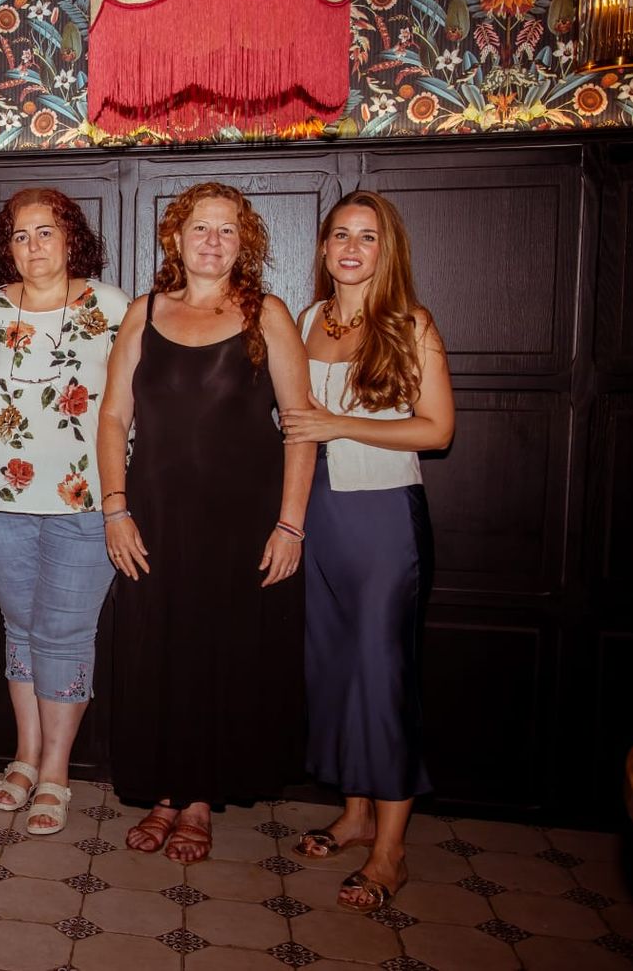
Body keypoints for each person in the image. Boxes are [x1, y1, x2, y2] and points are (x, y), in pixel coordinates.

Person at [98, 182, 314, 863]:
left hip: (241, 520)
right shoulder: (144, 312)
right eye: (200, 229)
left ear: (244, 242)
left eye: (227, 231)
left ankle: (197, 801)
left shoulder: (266, 314)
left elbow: (301, 427)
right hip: (154, 516)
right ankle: (163, 792)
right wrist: (114, 506)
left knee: (219, 652)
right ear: (176, 239)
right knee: (157, 648)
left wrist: (291, 525)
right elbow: (111, 417)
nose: (213, 241)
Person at [281, 190, 453, 911]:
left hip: (385, 520)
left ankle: (391, 850)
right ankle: (354, 816)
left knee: (384, 675)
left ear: (389, 250)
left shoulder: (412, 324)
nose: (352, 247)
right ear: (323, 248)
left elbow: (436, 431)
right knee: (335, 668)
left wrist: (336, 423)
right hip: (320, 516)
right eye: (340, 235)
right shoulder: (308, 319)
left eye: (368, 237)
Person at [0, 188, 130, 837]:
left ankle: (56, 769)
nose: (32, 246)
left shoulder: (111, 307)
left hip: (86, 501)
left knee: (64, 632)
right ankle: (25, 755)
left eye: (45, 232)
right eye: (20, 235)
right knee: (22, 625)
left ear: (71, 238)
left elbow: (134, 401)